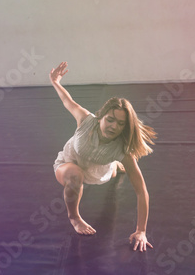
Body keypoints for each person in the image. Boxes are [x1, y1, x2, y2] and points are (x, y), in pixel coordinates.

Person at [50, 62, 156, 252]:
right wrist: (56, 82)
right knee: (75, 176)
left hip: (100, 170)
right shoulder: (85, 119)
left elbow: (142, 191)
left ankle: (114, 166)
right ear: (101, 117)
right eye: (110, 119)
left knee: (112, 172)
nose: (114, 126)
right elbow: (67, 100)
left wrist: (141, 230)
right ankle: (74, 217)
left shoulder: (123, 151)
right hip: (69, 162)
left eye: (121, 124)